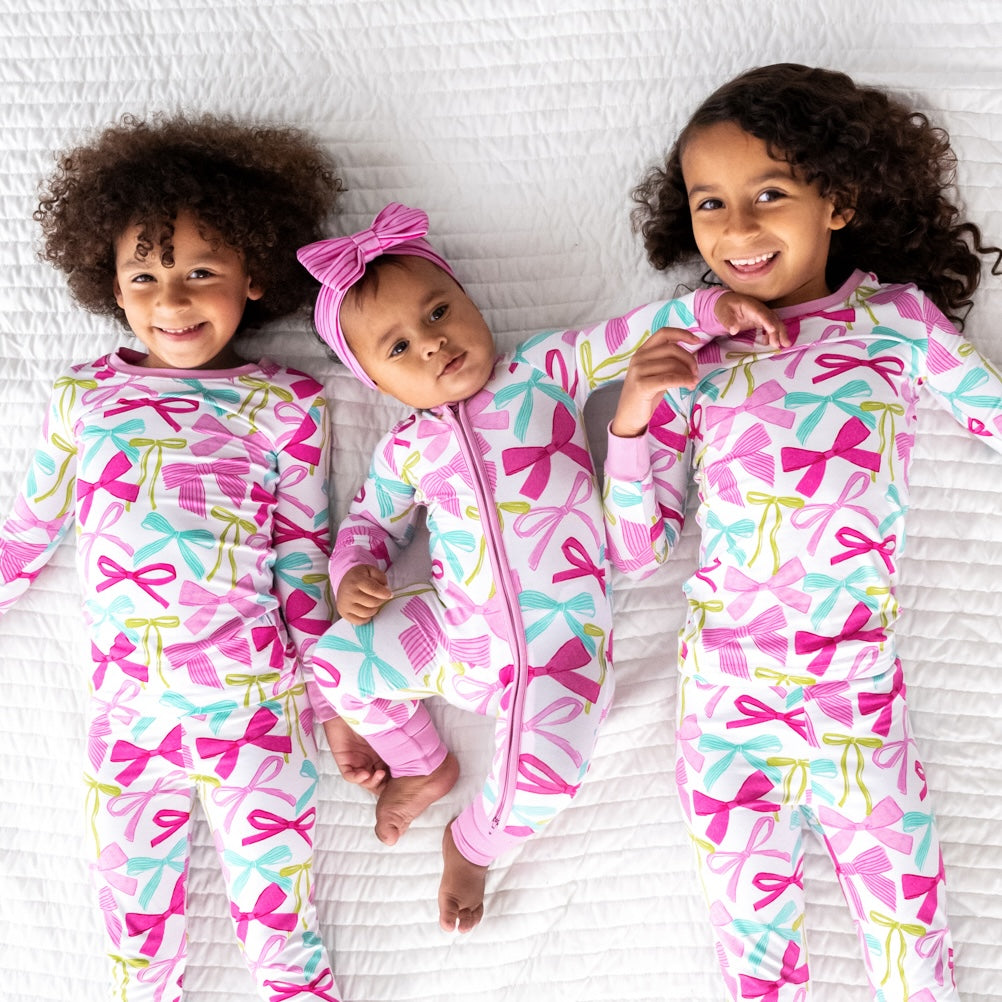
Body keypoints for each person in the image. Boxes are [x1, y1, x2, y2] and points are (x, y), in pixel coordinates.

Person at [603, 63, 1002, 1001]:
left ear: (839, 200)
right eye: (710, 204)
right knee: (756, 966)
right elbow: (639, 548)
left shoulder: (893, 322)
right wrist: (631, 418)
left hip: (852, 689)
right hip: (725, 699)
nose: (737, 229)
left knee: (911, 944)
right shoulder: (690, 345)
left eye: (769, 195)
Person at [296, 202, 786, 934]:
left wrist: (715, 308)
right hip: (454, 634)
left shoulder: (542, 370)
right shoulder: (404, 449)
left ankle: (475, 843)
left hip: (563, 652)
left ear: (468, 301)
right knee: (333, 662)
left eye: (438, 312)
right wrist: (352, 576)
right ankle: (423, 762)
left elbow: (632, 334)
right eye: (398, 348)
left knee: (547, 774)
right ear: (376, 384)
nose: (432, 344)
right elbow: (368, 524)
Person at [2, 112, 348, 1001]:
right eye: (145, 275)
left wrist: (345, 705)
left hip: (258, 715)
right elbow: (26, 533)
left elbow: (303, 565)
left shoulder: (287, 405)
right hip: (130, 723)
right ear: (110, 285)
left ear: (253, 277)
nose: (173, 300)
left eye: (202, 272)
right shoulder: (85, 397)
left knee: (283, 935)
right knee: (136, 952)